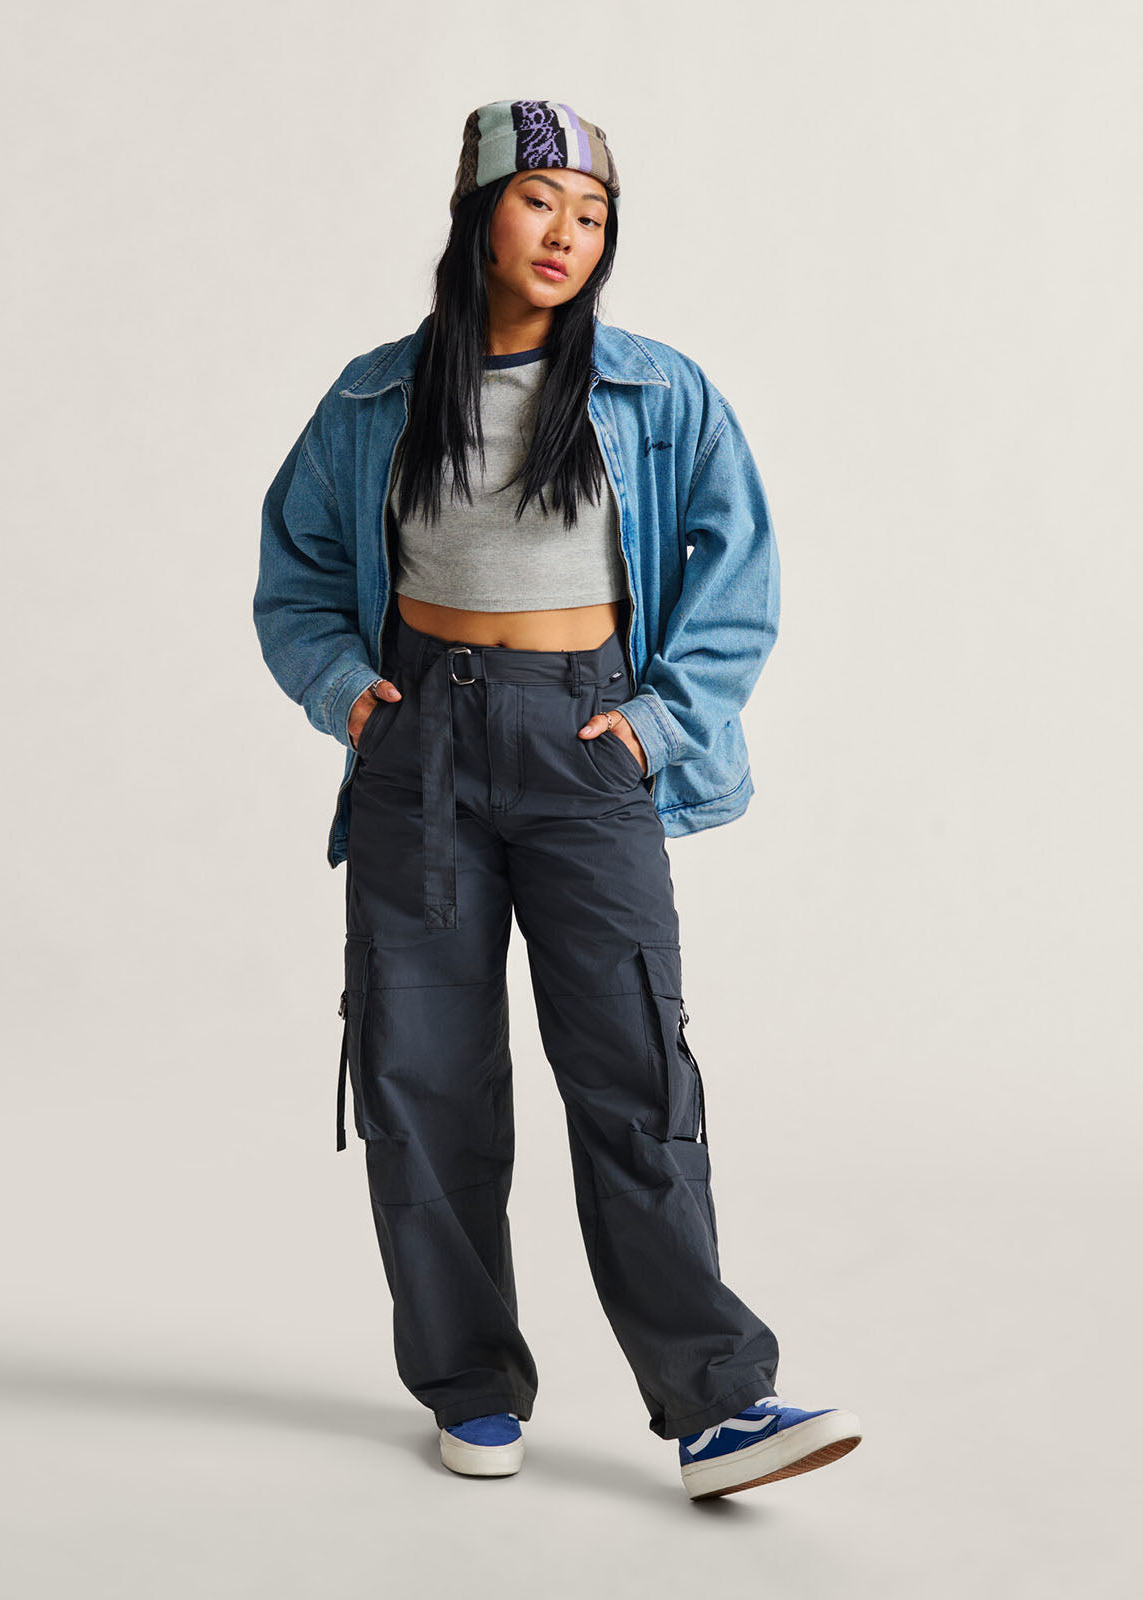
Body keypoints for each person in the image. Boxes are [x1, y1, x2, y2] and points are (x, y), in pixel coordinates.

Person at [254, 98, 862, 1500]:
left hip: (586, 743)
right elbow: (295, 573)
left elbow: (739, 572)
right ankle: (469, 1383)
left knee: (635, 1066)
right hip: (419, 744)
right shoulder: (375, 398)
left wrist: (657, 726)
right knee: (421, 1071)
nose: (567, 235)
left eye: (592, 216)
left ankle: (718, 1405)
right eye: (540, 204)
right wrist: (347, 691)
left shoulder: (656, 391)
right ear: (478, 215)